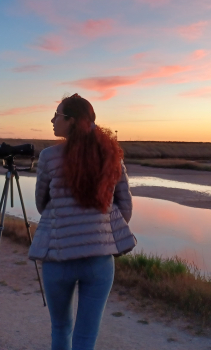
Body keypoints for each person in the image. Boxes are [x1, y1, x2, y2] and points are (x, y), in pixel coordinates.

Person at [28, 94, 136, 350]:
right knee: (86, 338)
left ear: (73, 121)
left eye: (58, 115)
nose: (52, 120)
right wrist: (100, 227)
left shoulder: (48, 157)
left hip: (59, 256)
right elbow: (126, 206)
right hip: (99, 260)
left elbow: (42, 203)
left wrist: (64, 217)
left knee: (61, 328)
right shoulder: (111, 155)